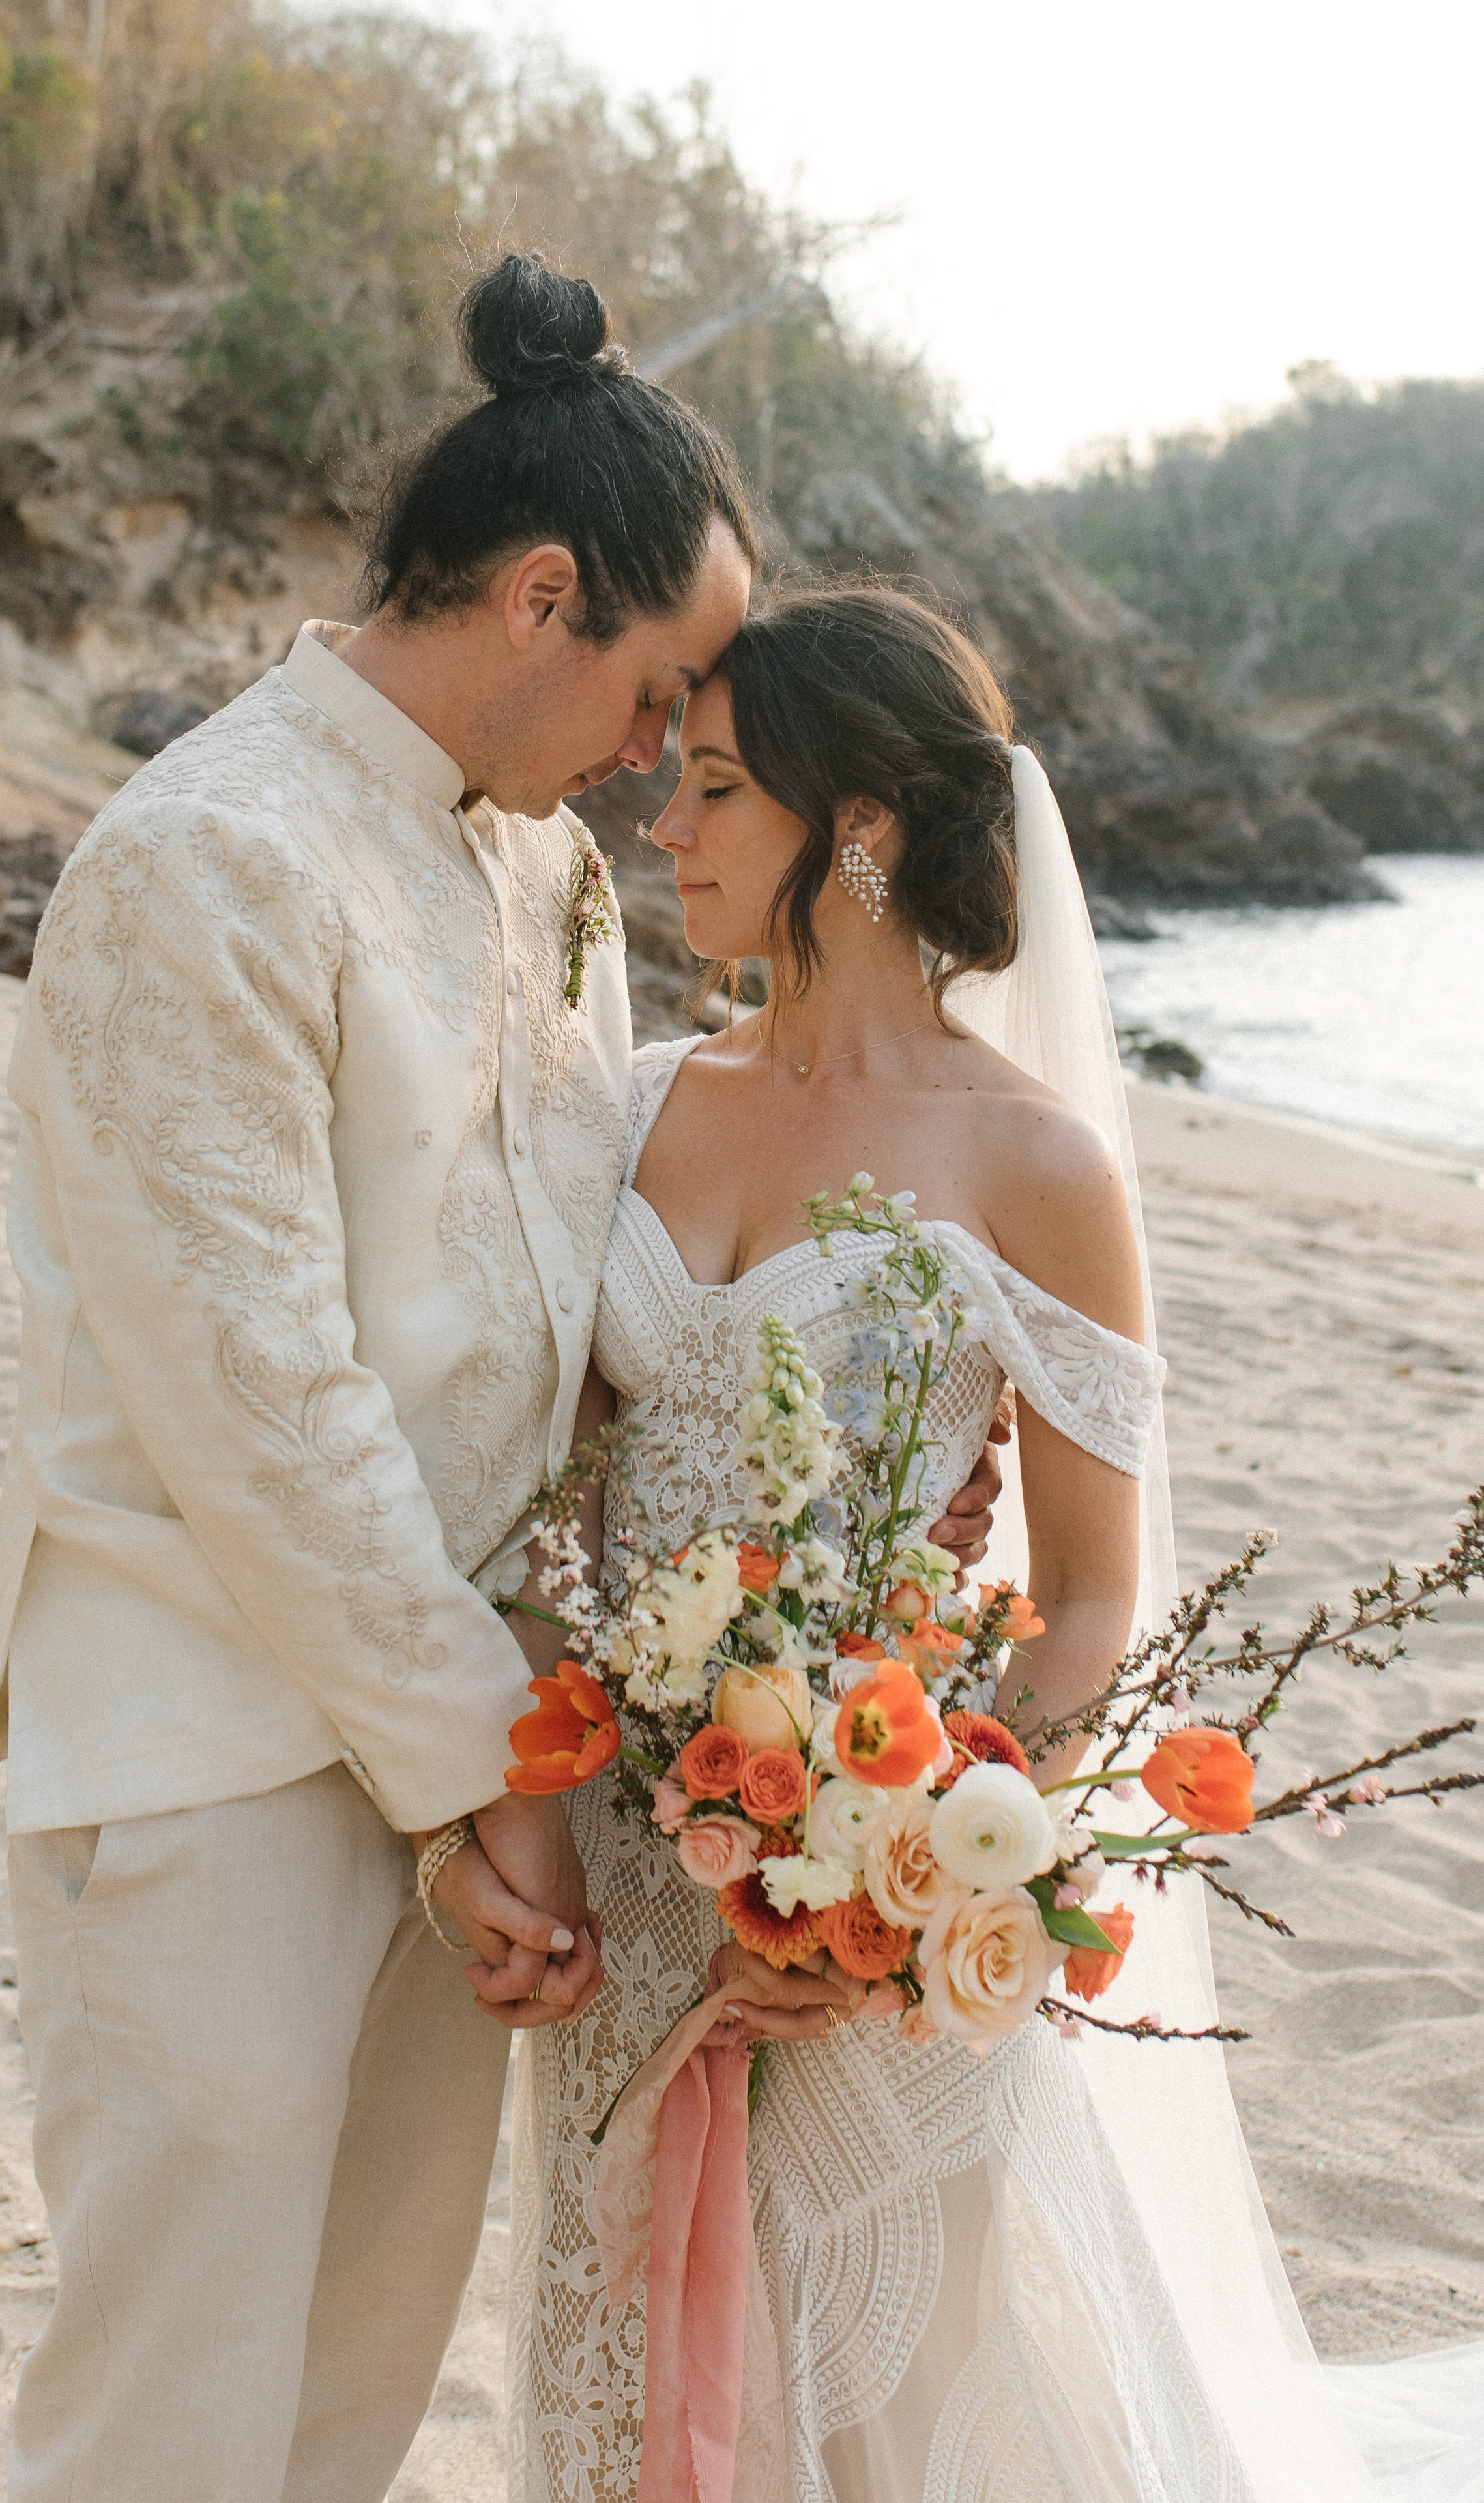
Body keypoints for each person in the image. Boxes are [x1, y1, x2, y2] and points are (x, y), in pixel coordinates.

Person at [0, 257, 1002, 2502]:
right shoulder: (201, 865)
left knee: (343, 2410)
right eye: (656, 691)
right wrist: (474, 1784)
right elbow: (269, 1409)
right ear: (546, 595)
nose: (664, 759)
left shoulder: (537, 865)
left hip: (484, 1768)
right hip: (220, 1744)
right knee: (168, 2421)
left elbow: (572, 1301)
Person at [506, 585, 1468, 2500]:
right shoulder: (619, 1113)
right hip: (637, 1862)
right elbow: (565, 1499)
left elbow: (1099, 1586)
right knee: (622, 2337)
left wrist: (917, 1874)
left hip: (884, 1884)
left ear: (856, 826)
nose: (664, 831)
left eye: (709, 791)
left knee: (901, 2379)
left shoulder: (1038, 1164)